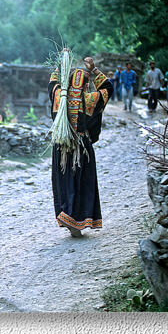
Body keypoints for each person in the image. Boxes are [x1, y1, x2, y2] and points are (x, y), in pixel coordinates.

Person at [48, 55, 115, 237]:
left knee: (64, 181)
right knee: (82, 182)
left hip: (61, 147)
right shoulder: (90, 99)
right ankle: (78, 220)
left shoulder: (59, 97)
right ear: (86, 84)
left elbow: (52, 82)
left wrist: (60, 66)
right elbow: (108, 88)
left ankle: (67, 215)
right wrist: (94, 69)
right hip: (82, 148)